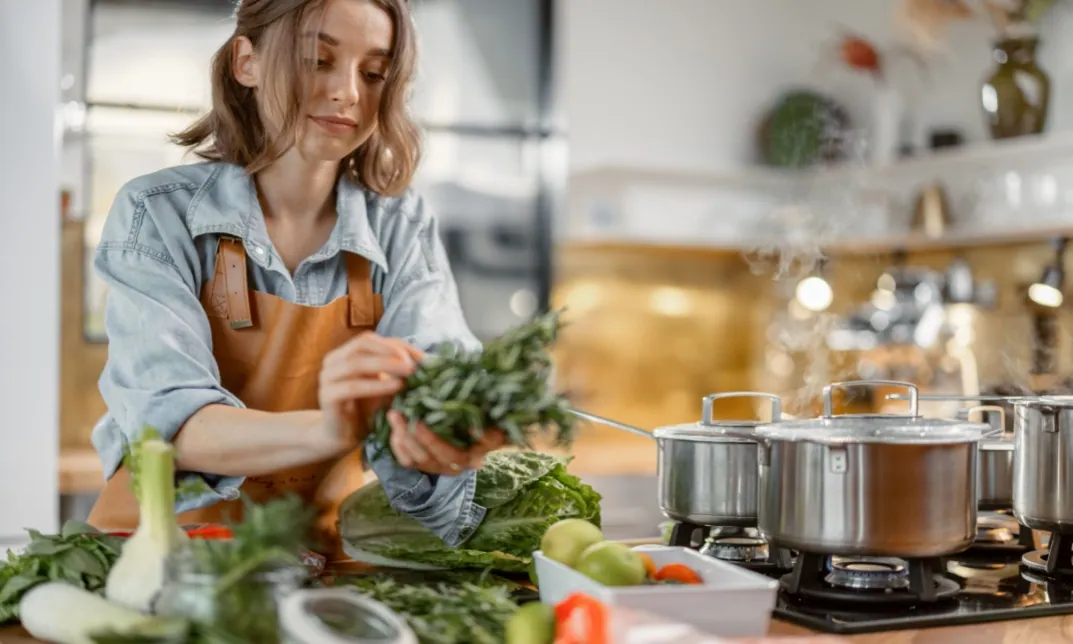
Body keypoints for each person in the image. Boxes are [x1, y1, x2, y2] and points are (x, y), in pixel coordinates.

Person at [86, 0, 506, 555]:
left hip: (319, 564)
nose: (349, 93)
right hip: (163, 564)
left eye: (374, 73)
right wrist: (332, 430)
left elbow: (441, 376)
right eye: (317, 60)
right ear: (246, 62)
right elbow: (170, 423)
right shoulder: (156, 214)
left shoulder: (401, 226)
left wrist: (456, 424)